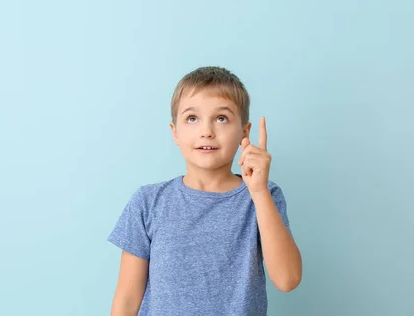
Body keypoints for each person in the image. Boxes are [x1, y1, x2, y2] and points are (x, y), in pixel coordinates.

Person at [108, 66, 302, 315]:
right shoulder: (148, 202)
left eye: (221, 118)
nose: (207, 131)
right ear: (175, 132)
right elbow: (126, 299)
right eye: (192, 118)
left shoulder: (264, 196)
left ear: (244, 132)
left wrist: (260, 192)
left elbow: (287, 280)